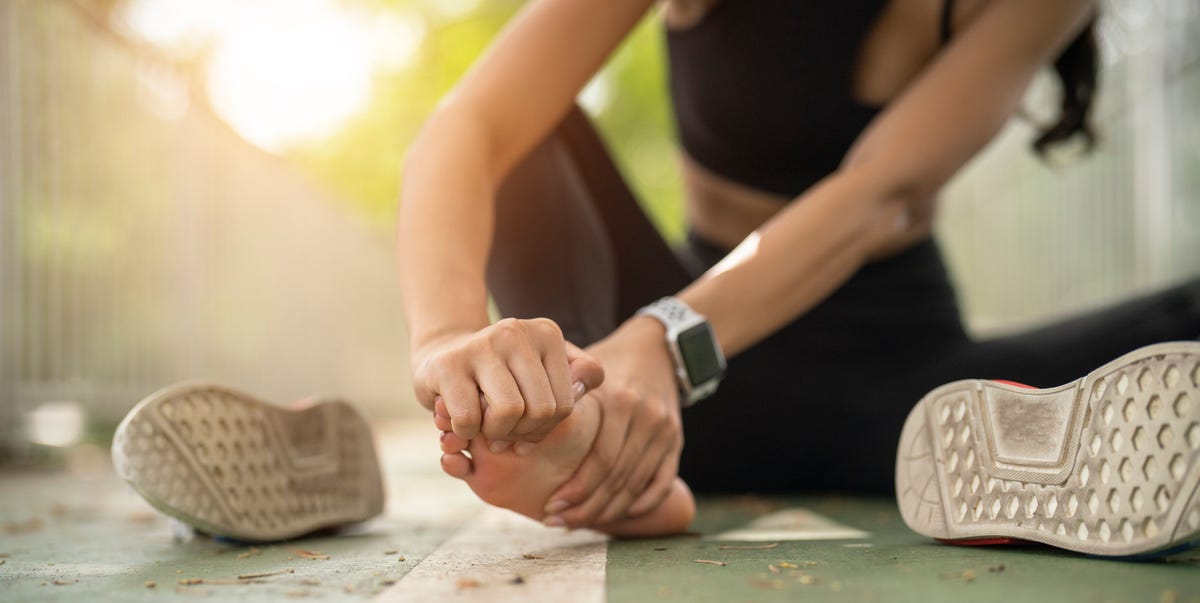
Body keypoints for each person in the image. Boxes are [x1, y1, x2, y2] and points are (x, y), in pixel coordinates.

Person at [397, 0, 1200, 543]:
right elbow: (472, 124)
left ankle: (614, 460)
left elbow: (880, 193)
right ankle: (579, 434)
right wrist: (445, 339)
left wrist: (670, 340)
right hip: (637, 374)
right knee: (524, 137)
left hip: (894, 387)